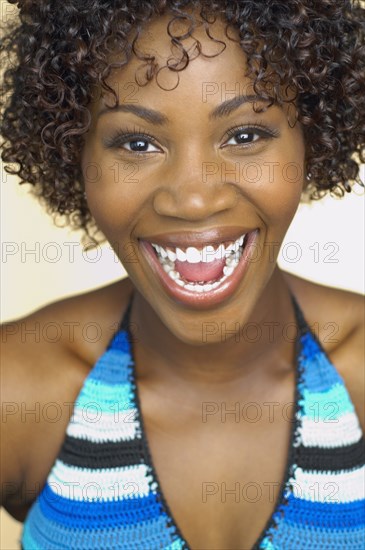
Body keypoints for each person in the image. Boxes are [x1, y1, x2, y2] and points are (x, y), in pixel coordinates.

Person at [1, 1, 364, 549]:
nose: (193, 199)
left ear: (312, 139)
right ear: (74, 154)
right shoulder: (21, 387)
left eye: (244, 135)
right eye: (136, 143)